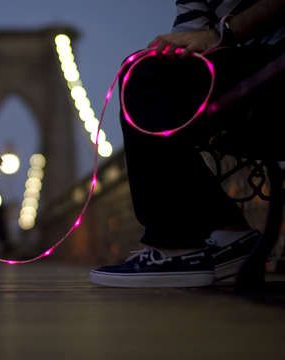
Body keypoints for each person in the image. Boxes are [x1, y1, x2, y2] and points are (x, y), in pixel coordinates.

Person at [90, 0, 285, 287]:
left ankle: (176, 246)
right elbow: (193, 32)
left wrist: (220, 34)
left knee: (145, 78)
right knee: (145, 69)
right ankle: (229, 235)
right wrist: (174, 47)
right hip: (249, 70)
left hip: (274, 65)